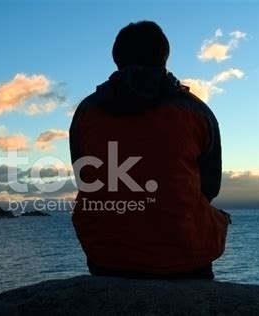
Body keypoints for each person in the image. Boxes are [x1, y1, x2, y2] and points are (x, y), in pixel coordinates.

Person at [69, 21, 231, 279]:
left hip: (106, 255)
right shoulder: (196, 111)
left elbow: (84, 177)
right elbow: (210, 187)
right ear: (164, 56)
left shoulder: (86, 112)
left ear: (116, 59)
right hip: (184, 255)